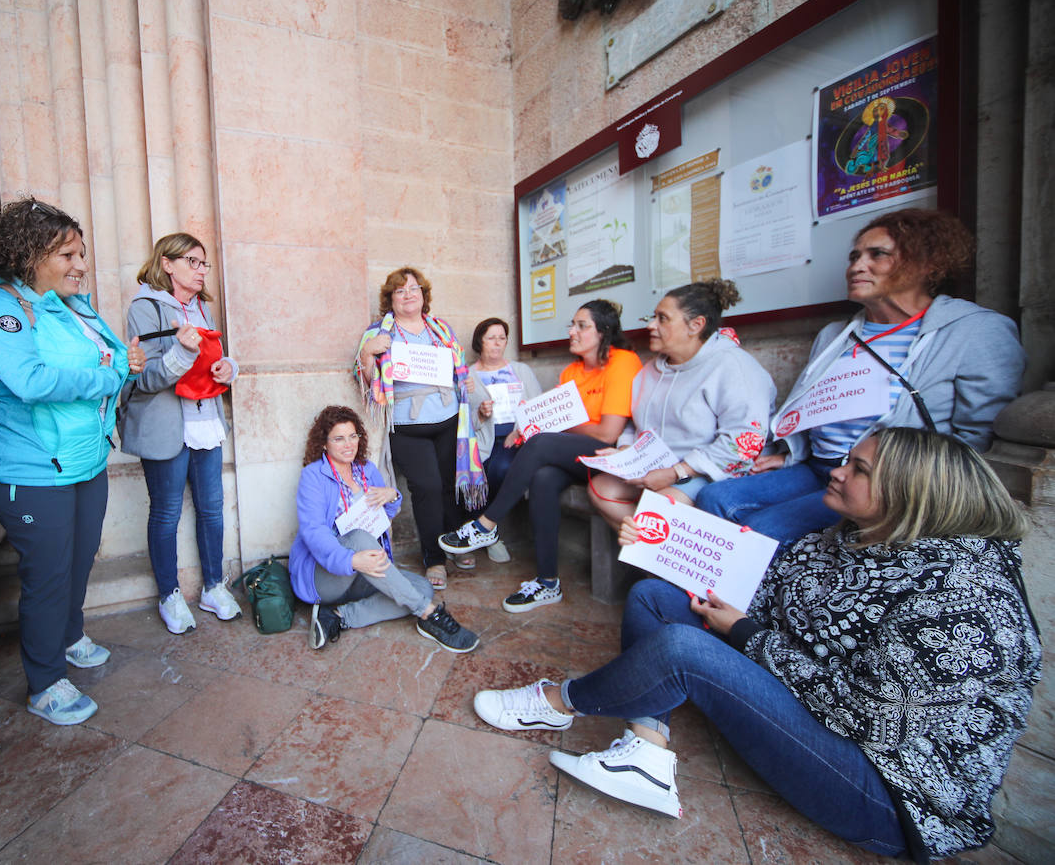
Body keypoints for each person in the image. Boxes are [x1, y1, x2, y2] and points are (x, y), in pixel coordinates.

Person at [473, 428, 1040, 861]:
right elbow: (766, 590)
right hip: (818, 700)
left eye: (857, 469)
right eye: (844, 461)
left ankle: (558, 704)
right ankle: (647, 747)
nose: (836, 473)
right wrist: (660, 544)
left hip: (888, 788)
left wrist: (742, 633)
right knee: (654, 596)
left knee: (681, 650)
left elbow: (860, 711)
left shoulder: (965, 600)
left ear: (910, 494)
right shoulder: (851, 534)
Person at [696, 209, 1025, 545]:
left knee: (761, 531)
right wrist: (790, 452)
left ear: (927, 264)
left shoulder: (976, 331)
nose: (856, 267)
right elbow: (811, 406)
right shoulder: (834, 335)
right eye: (854, 256)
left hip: (883, 484)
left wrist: (905, 487)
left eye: (877, 255)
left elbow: (976, 442)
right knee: (713, 497)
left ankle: (733, 596)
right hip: (819, 468)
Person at [0, 199, 145, 726]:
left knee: (79, 557)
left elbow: (113, 358)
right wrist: (110, 377)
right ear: (28, 255)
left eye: (81, 253)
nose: (79, 264)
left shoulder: (73, 307)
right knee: (46, 575)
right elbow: (33, 381)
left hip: (84, 460)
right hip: (29, 469)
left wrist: (123, 365)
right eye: (66, 254)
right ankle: (44, 682)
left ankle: (68, 637)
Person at [440, 301, 641, 612]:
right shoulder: (571, 370)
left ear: (603, 332)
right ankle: (548, 583)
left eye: (581, 326)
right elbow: (551, 418)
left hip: (609, 454)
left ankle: (487, 523)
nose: (572, 331)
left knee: (541, 443)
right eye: (572, 325)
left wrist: (562, 419)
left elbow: (606, 434)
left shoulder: (623, 362)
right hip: (576, 454)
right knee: (543, 478)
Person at [120, 232, 241, 634]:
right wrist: (184, 352)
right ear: (167, 263)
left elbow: (214, 360)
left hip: (205, 420)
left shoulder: (202, 307)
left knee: (212, 508)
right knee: (167, 513)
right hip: (167, 424)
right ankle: (170, 595)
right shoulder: (145, 307)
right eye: (193, 261)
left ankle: (213, 586)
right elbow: (147, 376)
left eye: (204, 263)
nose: (202, 270)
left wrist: (229, 368)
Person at [588, 280, 775, 534]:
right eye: (653, 317)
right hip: (657, 467)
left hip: (705, 472)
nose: (650, 326)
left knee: (656, 511)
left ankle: (656, 555)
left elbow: (743, 441)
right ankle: (652, 550)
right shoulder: (650, 370)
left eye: (662, 318)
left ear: (696, 325)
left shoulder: (734, 367)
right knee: (601, 489)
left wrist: (676, 472)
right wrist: (626, 452)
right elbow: (633, 422)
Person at [289, 406, 479, 653]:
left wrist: (392, 496)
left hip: (364, 571)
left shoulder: (366, 469)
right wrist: (351, 559)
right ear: (324, 443)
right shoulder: (313, 476)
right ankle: (430, 615)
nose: (348, 445)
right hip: (326, 575)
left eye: (352, 436)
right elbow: (313, 533)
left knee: (423, 588)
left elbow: (381, 518)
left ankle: (339, 616)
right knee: (360, 539)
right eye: (338, 438)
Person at [355, 267, 485, 590]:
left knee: (450, 482)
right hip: (407, 424)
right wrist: (368, 352)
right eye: (400, 291)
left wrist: (465, 380)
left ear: (423, 295)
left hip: (448, 418)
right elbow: (368, 382)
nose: (408, 294)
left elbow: (458, 370)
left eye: (414, 289)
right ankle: (434, 556)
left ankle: (457, 542)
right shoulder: (379, 332)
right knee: (426, 486)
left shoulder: (441, 330)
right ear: (391, 299)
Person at [465, 317, 543, 564]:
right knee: (470, 471)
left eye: (502, 338)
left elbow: (538, 407)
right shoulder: (469, 375)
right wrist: (480, 414)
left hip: (517, 436)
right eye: (491, 338)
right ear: (480, 342)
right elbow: (462, 419)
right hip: (483, 437)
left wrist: (519, 430)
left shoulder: (521, 371)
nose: (497, 344)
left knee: (502, 468)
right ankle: (488, 531)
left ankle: (487, 528)